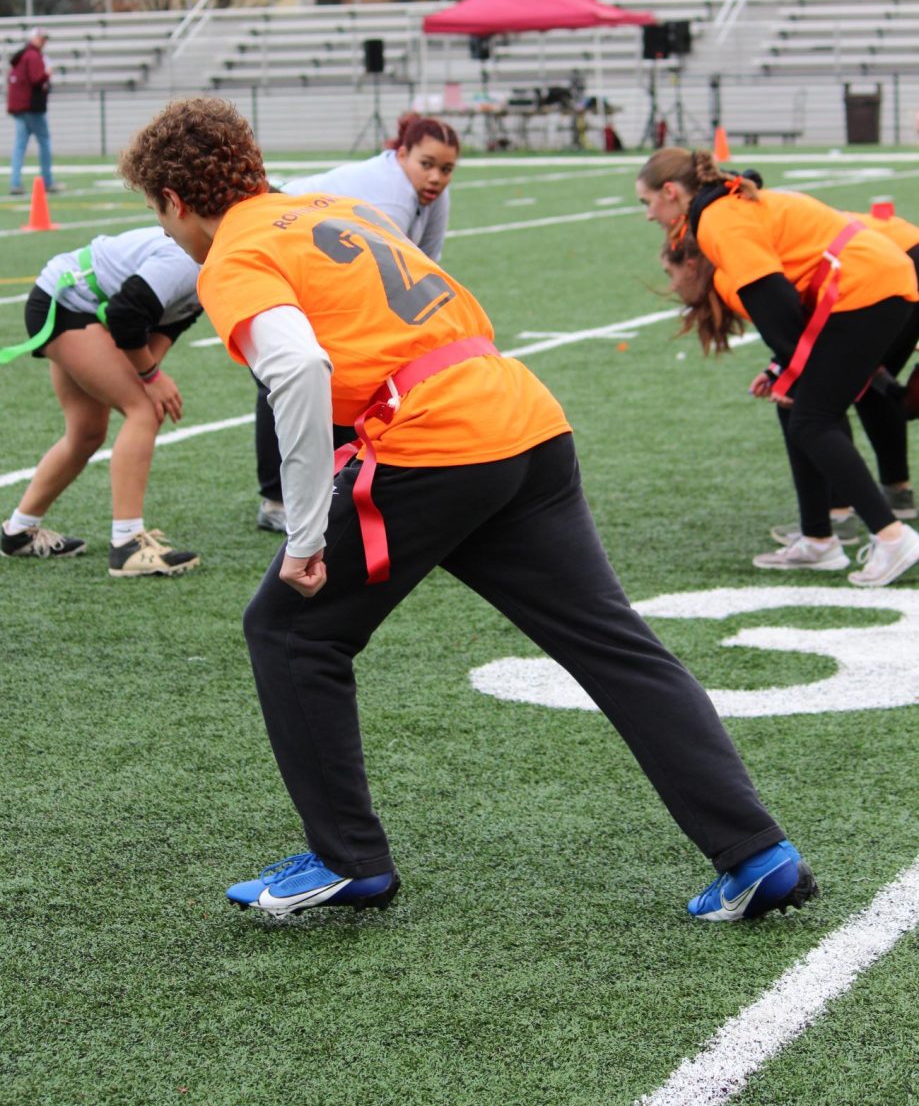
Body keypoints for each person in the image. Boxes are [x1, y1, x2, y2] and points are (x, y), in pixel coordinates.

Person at [118, 96, 819, 924]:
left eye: (158, 215)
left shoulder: (231, 254)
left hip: (433, 442)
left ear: (173, 200)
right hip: (520, 417)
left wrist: (307, 532)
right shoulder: (336, 208)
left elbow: (298, 368)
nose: (166, 234)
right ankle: (754, 852)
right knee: (613, 645)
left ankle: (349, 860)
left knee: (291, 629)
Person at [639, 147, 919, 587]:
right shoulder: (722, 209)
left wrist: (793, 368)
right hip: (869, 281)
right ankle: (819, 540)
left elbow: (779, 304)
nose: (648, 214)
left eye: (646, 202)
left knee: (811, 418)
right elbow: (790, 314)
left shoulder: (717, 221)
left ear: (670, 192)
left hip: (867, 285)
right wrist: (783, 370)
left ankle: (892, 536)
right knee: (798, 407)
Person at [251, 111, 461, 534]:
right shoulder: (391, 198)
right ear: (400, 154)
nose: (436, 176)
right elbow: (383, 279)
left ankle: (347, 483)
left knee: (350, 377)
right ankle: (278, 499)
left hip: (323, 267)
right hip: (279, 253)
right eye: (426, 164)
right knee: (290, 376)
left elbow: (424, 268)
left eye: (446, 169)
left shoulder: (431, 196)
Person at [0, 227, 202, 577]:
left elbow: (172, 322)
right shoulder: (189, 258)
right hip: (68, 305)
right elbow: (126, 313)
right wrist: (150, 377)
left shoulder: (215, 256)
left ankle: (17, 531)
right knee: (144, 410)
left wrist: (147, 372)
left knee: (86, 433)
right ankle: (126, 544)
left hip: (82, 307)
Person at [6, 27, 58, 196]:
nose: (44, 42)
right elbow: (37, 79)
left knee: (20, 145)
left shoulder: (22, 55)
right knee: (44, 142)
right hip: (32, 107)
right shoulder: (33, 56)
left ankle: (15, 182)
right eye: (42, 39)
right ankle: (47, 181)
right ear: (34, 39)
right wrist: (47, 74)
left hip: (19, 107)